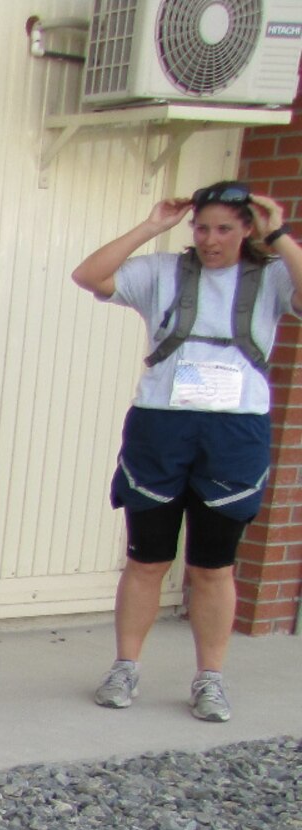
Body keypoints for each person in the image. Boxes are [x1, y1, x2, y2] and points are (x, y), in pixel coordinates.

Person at [71, 182, 302, 723]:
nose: (210, 239)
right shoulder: (162, 272)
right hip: (161, 425)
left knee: (213, 565)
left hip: (234, 430)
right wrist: (153, 225)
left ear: (246, 229)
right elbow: (90, 275)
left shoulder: (271, 275)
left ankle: (210, 677)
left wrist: (280, 235)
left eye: (224, 229)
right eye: (202, 228)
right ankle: (125, 666)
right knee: (146, 558)